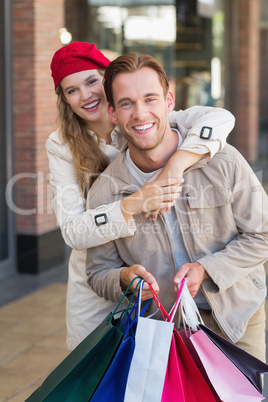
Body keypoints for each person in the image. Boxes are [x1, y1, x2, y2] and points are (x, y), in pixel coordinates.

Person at [47, 41, 235, 350]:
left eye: (92, 81)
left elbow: (220, 118)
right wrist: (136, 202)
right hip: (102, 271)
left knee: (157, 369)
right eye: (72, 90)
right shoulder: (62, 145)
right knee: (98, 369)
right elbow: (73, 231)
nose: (86, 95)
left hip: (152, 264)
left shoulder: (141, 117)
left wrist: (175, 166)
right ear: (65, 99)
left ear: (107, 81)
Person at [86, 53, 268, 361]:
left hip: (237, 320)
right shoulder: (105, 190)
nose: (140, 114)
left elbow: (262, 235)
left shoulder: (223, 160)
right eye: (127, 103)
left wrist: (205, 269)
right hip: (161, 334)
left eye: (150, 99)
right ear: (113, 113)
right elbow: (98, 272)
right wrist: (124, 278)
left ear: (169, 102)